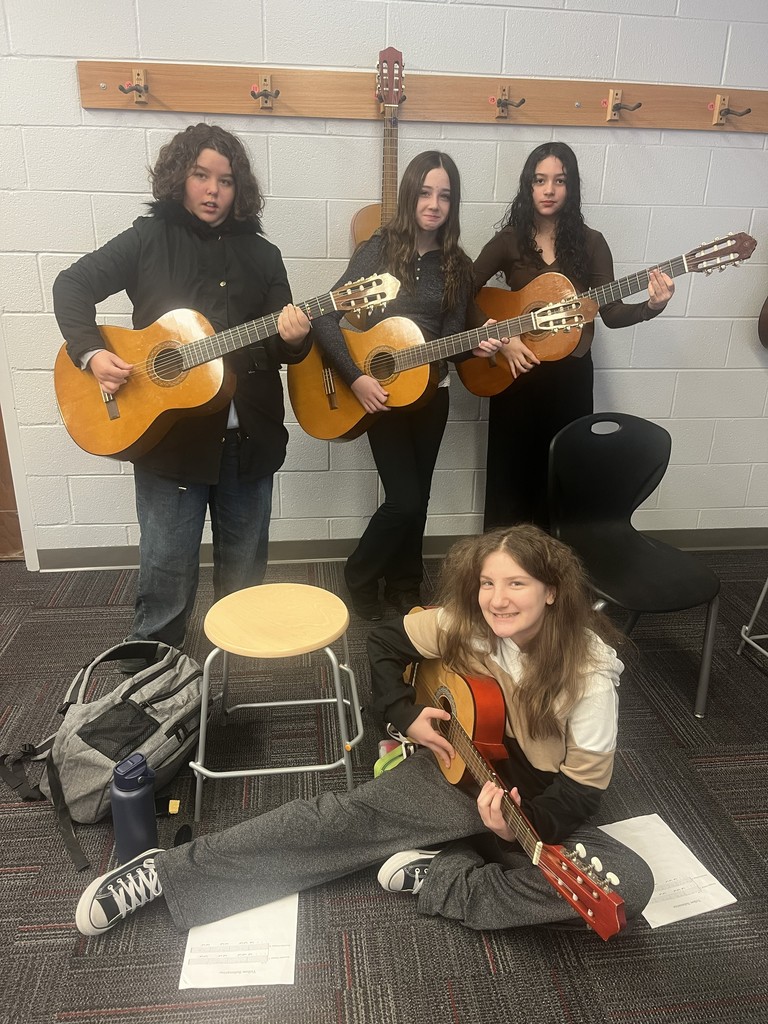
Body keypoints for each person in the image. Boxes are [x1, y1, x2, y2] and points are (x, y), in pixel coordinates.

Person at [75, 525, 654, 940]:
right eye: (487, 583)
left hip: (529, 799)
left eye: (517, 585)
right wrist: (404, 714)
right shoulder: (470, 622)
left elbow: (581, 791)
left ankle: (443, 876)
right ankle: (162, 873)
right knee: (334, 820)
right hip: (455, 765)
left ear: (552, 591)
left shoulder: (590, 674)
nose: (497, 600)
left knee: (628, 882)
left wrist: (528, 824)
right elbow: (382, 642)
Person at [53, 123, 311, 658]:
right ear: (181, 177)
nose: (213, 190)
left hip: (248, 443)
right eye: (201, 175)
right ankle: (149, 688)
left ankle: (231, 677)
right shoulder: (147, 240)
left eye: (226, 180)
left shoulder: (264, 256)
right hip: (167, 446)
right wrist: (92, 353)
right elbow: (71, 286)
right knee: (166, 579)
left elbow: (282, 349)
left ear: (241, 189)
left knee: (244, 576)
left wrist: (294, 339)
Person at [312, 150, 503, 621]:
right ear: (409, 194)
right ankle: (358, 574)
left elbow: (451, 337)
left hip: (432, 396)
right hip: (381, 397)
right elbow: (324, 318)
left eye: (444, 195)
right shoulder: (378, 249)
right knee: (404, 499)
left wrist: (473, 347)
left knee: (421, 497)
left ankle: (404, 584)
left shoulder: (458, 263)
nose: (434, 203)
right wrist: (356, 378)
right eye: (425, 192)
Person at [472, 141, 675, 529]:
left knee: (562, 477)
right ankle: (501, 576)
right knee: (510, 480)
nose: (549, 190)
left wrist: (652, 306)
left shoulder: (592, 243)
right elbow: (464, 291)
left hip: (571, 380)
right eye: (540, 180)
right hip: (515, 376)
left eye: (559, 181)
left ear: (571, 187)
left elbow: (611, 313)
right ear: (528, 186)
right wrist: (501, 334)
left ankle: (556, 578)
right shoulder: (509, 241)